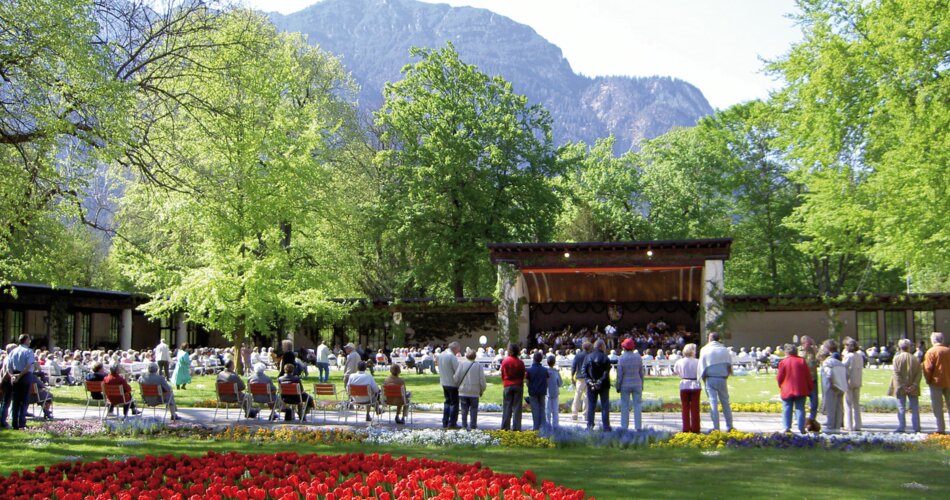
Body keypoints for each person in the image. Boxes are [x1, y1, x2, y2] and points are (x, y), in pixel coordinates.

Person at [698, 332, 734, 432]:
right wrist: (726, 375)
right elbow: (729, 365)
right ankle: (729, 426)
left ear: (710, 338)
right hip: (722, 378)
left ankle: (716, 427)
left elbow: (702, 366)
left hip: (710, 378)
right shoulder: (724, 350)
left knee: (713, 403)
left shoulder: (705, 349)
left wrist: (703, 377)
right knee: (725, 402)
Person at [777, 342, 813, 434]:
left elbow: (779, 377)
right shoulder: (802, 361)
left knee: (787, 408)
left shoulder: (783, 362)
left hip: (787, 388)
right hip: (800, 388)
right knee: (800, 408)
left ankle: (786, 427)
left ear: (786, 352)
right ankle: (801, 428)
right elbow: (807, 376)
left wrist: (781, 386)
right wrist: (810, 387)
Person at [889, 338, 922, 433]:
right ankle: (916, 427)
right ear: (909, 347)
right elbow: (919, 373)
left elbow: (896, 373)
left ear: (899, 347)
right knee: (914, 407)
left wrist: (902, 385)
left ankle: (901, 427)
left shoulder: (897, 358)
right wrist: (914, 385)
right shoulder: (915, 358)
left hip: (900, 387)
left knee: (901, 407)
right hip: (913, 386)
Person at [4, 334, 36, 430]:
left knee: (16, 400)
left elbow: (8, 367)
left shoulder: (13, 351)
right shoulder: (29, 351)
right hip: (25, 376)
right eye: (29, 340)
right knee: (24, 400)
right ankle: (21, 422)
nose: (30, 341)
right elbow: (28, 366)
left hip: (15, 375)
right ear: (26, 340)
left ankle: (14, 423)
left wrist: (13, 376)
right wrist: (20, 376)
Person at [922, 331, 950, 434]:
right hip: (948, 381)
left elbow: (928, 368)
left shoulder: (931, 352)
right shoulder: (948, 350)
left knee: (938, 407)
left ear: (933, 340)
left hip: (936, 382)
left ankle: (940, 428)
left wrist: (928, 380)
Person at [616, 338, 645, 431]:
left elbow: (620, 374)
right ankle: (638, 427)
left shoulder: (621, 358)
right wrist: (642, 383)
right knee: (637, 405)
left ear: (623, 347)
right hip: (637, 383)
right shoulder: (638, 357)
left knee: (624, 405)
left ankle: (624, 427)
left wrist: (618, 385)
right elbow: (641, 372)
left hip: (625, 384)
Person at [583, 339, 612, 432]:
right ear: (601, 346)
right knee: (605, 406)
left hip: (591, 385)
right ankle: (606, 426)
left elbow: (584, 371)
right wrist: (599, 381)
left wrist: (589, 381)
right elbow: (606, 372)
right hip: (603, 385)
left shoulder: (588, 357)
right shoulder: (605, 357)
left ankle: (590, 425)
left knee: (591, 406)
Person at [819, 340, 847, 432]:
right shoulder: (839, 362)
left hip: (831, 387)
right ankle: (837, 426)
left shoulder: (827, 362)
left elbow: (829, 374)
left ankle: (830, 426)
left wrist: (832, 383)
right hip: (841, 386)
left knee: (831, 407)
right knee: (839, 407)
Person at [455, 347, 486, 430]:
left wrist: (457, 386)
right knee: (474, 409)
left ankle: (464, 425)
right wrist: (482, 389)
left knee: (464, 409)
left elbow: (456, 377)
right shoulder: (478, 366)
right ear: (475, 356)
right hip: (474, 391)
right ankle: (473, 425)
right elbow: (482, 380)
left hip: (463, 390)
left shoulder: (461, 364)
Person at [674, 343, 701, 433]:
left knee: (685, 408)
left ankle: (686, 428)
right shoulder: (698, 361)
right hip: (695, 384)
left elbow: (676, 372)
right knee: (695, 408)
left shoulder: (679, 362)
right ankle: (696, 428)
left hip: (684, 384)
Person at [500, 343, 525, 431]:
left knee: (507, 407)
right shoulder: (520, 362)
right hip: (518, 385)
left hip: (507, 384)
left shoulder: (505, 361)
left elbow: (502, 374)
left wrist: (505, 380)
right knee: (517, 408)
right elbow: (523, 375)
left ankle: (505, 427)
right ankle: (517, 428)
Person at [842, 337, 865, 431]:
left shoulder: (849, 356)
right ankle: (858, 424)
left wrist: (843, 356)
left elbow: (843, 366)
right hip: (858, 381)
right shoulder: (860, 355)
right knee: (856, 404)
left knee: (848, 404)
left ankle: (849, 425)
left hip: (849, 382)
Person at [438, 341, 461, 429]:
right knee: (454, 403)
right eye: (458, 348)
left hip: (444, 381)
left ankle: (445, 421)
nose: (459, 350)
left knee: (447, 402)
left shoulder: (441, 355)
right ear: (455, 348)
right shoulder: (452, 356)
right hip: (452, 383)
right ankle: (452, 423)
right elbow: (457, 370)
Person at [799, 335, 820, 426]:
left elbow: (820, 357)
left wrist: (814, 345)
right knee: (801, 401)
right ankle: (800, 419)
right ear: (802, 343)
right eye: (806, 342)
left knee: (814, 401)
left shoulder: (813, 351)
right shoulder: (799, 352)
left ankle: (812, 419)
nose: (808, 344)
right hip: (803, 380)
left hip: (813, 379)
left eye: (809, 342)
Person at [526, 351, 548, 432]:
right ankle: (543, 426)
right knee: (542, 408)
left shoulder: (529, 370)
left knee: (535, 409)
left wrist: (530, 387)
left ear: (534, 359)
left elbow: (527, 382)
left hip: (533, 391)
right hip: (542, 391)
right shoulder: (545, 370)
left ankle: (536, 427)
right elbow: (547, 380)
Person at [571, 343, 591, 421]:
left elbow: (573, 366)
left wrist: (571, 376)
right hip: (587, 377)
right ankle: (585, 415)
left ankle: (574, 414)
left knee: (577, 395)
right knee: (586, 396)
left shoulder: (578, 355)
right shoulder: (589, 355)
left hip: (579, 378)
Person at [0, 343, 17, 428]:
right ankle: (3, 421)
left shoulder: (6, 358)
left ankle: (3, 420)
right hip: (7, 382)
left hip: (4, 381)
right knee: (6, 402)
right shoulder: (10, 358)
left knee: (5, 402)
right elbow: (7, 372)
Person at [545, 355, 562, 430]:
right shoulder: (556, 372)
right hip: (555, 393)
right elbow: (560, 383)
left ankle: (548, 425)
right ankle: (555, 426)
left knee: (547, 411)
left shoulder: (546, 372)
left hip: (548, 393)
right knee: (555, 411)